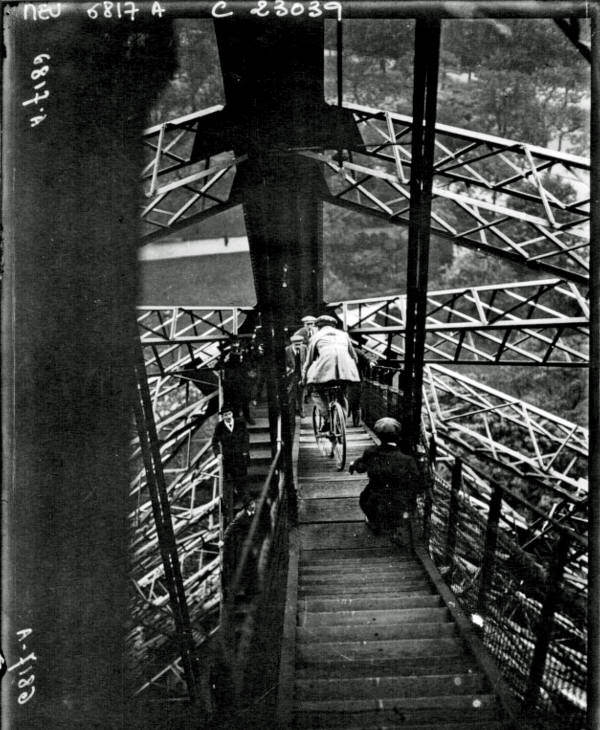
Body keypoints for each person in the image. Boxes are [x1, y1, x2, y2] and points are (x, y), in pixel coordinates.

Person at [349, 417, 422, 541]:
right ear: (398, 436)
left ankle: (375, 521)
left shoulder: (370, 453)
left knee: (364, 497)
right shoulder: (407, 460)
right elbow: (417, 482)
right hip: (399, 503)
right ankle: (397, 524)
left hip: (374, 501)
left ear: (378, 435)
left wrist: (353, 464)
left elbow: (361, 467)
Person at [302, 314, 360, 432]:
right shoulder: (344, 335)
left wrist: (304, 378)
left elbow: (309, 361)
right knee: (342, 395)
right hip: (346, 372)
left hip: (326, 371)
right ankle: (341, 421)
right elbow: (355, 357)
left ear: (318, 327)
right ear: (334, 326)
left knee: (317, 392)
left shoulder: (316, 336)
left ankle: (328, 419)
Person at [211, 405, 251, 519]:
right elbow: (214, 442)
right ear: (222, 417)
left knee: (242, 479)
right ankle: (243, 504)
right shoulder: (219, 427)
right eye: (224, 415)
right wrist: (218, 454)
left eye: (228, 414)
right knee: (235, 480)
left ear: (232, 414)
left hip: (241, 456)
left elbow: (246, 437)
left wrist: (245, 451)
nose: (227, 417)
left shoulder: (240, 423)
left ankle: (247, 503)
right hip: (229, 459)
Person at [220, 339, 255, 425]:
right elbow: (222, 365)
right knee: (235, 404)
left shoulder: (243, 358)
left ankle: (246, 417)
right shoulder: (228, 360)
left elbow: (248, 366)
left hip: (241, 383)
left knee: (244, 402)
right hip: (232, 384)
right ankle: (237, 420)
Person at [285, 333, 308, 416]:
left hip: (301, 374)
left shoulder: (304, 348)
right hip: (291, 375)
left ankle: (301, 410)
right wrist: (288, 370)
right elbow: (284, 363)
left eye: (300, 344)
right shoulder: (287, 350)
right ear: (292, 344)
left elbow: (306, 360)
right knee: (291, 393)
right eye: (296, 345)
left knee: (301, 393)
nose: (298, 346)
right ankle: (292, 410)